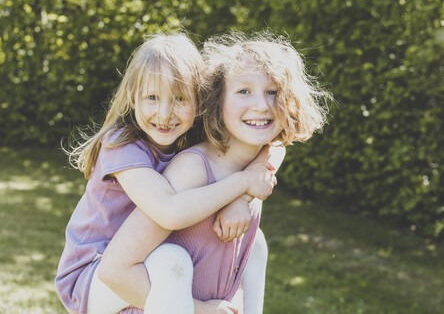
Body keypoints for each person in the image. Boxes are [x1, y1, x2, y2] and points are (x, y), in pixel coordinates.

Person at [100, 31, 330, 314]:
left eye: (273, 92)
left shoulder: (258, 163)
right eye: (244, 91)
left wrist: (241, 198)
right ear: (216, 100)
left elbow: (277, 146)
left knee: (257, 244)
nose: (261, 105)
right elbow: (117, 268)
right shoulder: (193, 169)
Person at [54, 33, 279, 314]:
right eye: (152, 97)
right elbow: (169, 212)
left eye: (180, 99)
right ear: (133, 98)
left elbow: (274, 141)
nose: (164, 113)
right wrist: (244, 183)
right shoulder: (122, 145)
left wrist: (240, 200)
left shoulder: (185, 135)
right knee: (171, 259)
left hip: (140, 257)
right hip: (93, 275)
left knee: (255, 241)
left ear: (199, 101)